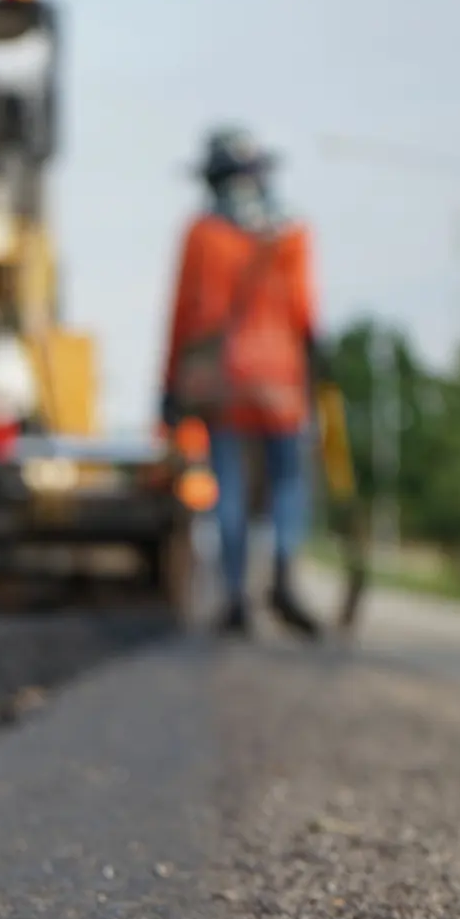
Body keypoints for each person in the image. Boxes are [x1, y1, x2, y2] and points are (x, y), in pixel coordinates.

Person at [162, 126, 327, 638]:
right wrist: (316, 365)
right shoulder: (292, 232)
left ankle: (235, 594)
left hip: (224, 381)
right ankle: (282, 574)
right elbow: (304, 312)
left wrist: (169, 387)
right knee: (287, 485)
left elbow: (185, 316)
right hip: (283, 381)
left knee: (228, 487)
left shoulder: (203, 234)